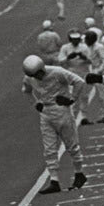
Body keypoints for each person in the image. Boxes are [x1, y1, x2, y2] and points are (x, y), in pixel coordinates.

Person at [22, 56, 87, 195]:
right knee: (49, 148)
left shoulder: (57, 72)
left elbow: (79, 81)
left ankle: (79, 173)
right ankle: (54, 180)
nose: (38, 77)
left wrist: (71, 99)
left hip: (62, 110)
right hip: (46, 112)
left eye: (38, 73)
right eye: (34, 75)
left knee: (72, 145)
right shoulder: (29, 78)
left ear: (42, 68)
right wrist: (36, 103)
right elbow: (26, 90)